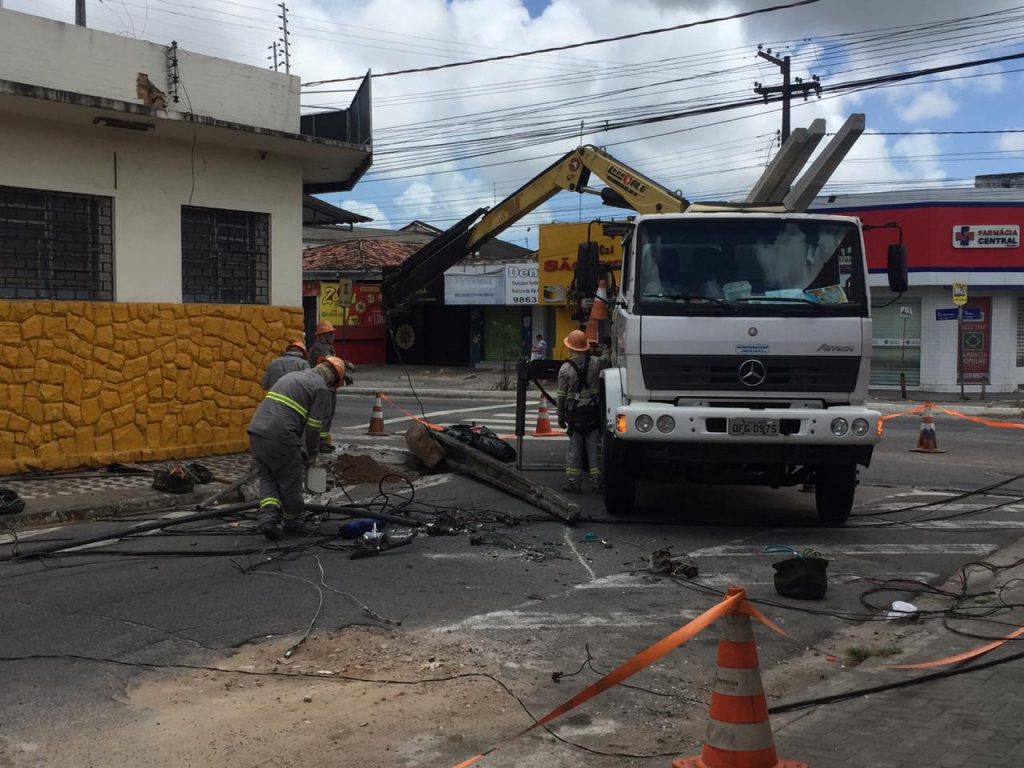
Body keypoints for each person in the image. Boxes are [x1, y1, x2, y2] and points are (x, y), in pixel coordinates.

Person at [247, 357, 346, 540]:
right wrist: (312, 454)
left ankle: (268, 520)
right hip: (281, 436)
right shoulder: (320, 388)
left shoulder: (293, 376)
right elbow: (314, 427)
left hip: (256, 432)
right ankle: (293, 523)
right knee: (290, 480)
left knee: (268, 477)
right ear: (333, 378)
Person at [556, 329, 610, 494]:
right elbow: (607, 358)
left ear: (570, 348)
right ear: (585, 347)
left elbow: (561, 397)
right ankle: (596, 483)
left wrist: (560, 417)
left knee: (575, 451)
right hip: (593, 414)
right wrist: (602, 348)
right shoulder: (595, 362)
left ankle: (574, 484)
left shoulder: (565, 369)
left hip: (575, 416)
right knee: (594, 450)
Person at [308, 320, 337, 453]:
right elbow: (329, 364)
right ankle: (320, 442)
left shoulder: (327, 347)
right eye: (330, 334)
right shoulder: (320, 347)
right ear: (323, 335)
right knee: (324, 414)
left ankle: (323, 441)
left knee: (329, 414)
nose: (333, 336)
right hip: (323, 386)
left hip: (329, 385)